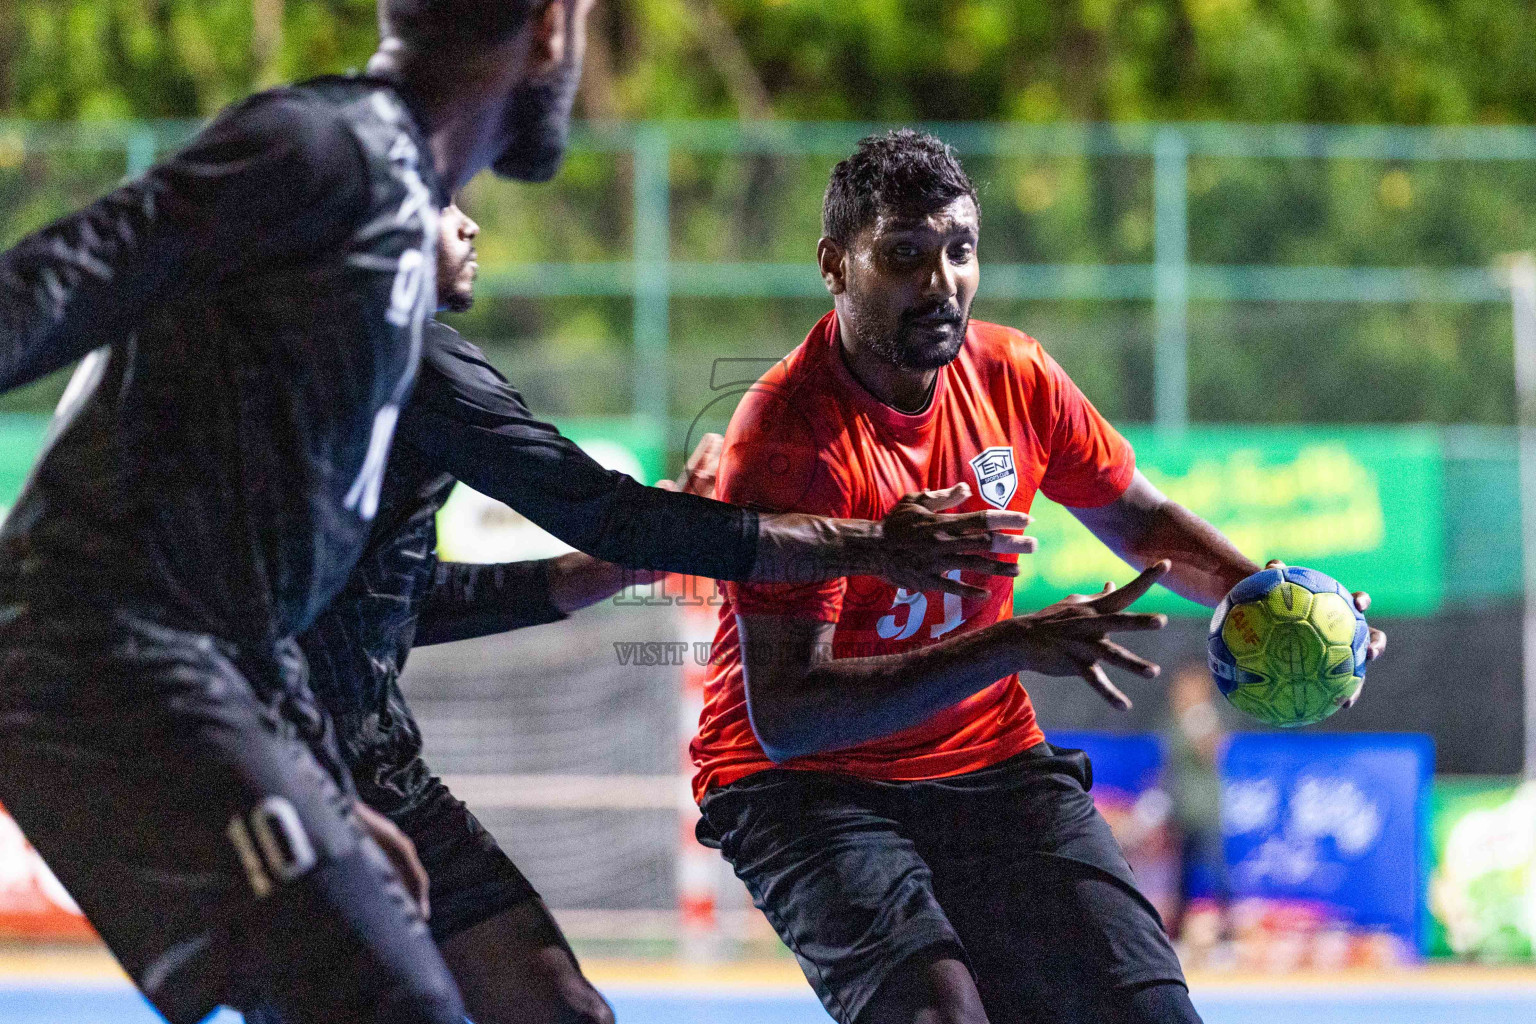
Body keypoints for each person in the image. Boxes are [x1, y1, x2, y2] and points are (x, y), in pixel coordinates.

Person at [0, 3, 626, 1022]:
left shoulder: (378, 233)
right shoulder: (324, 153)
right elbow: (50, 283)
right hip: (99, 653)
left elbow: (263, 572)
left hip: (189, 663)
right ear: (552, 28)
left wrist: (317, 778)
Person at [689, 130, 1389, 1024]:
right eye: (904, 255)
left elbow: (1134, 515)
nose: (941, 280)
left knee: (1147, 1011)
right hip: (804, 783)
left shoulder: (1013, 374)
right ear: (835, 263)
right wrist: (1013, 644)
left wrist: (1277, 602)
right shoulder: (789, 437)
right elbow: (788, 716)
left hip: (986, 761)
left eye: (960, 250)